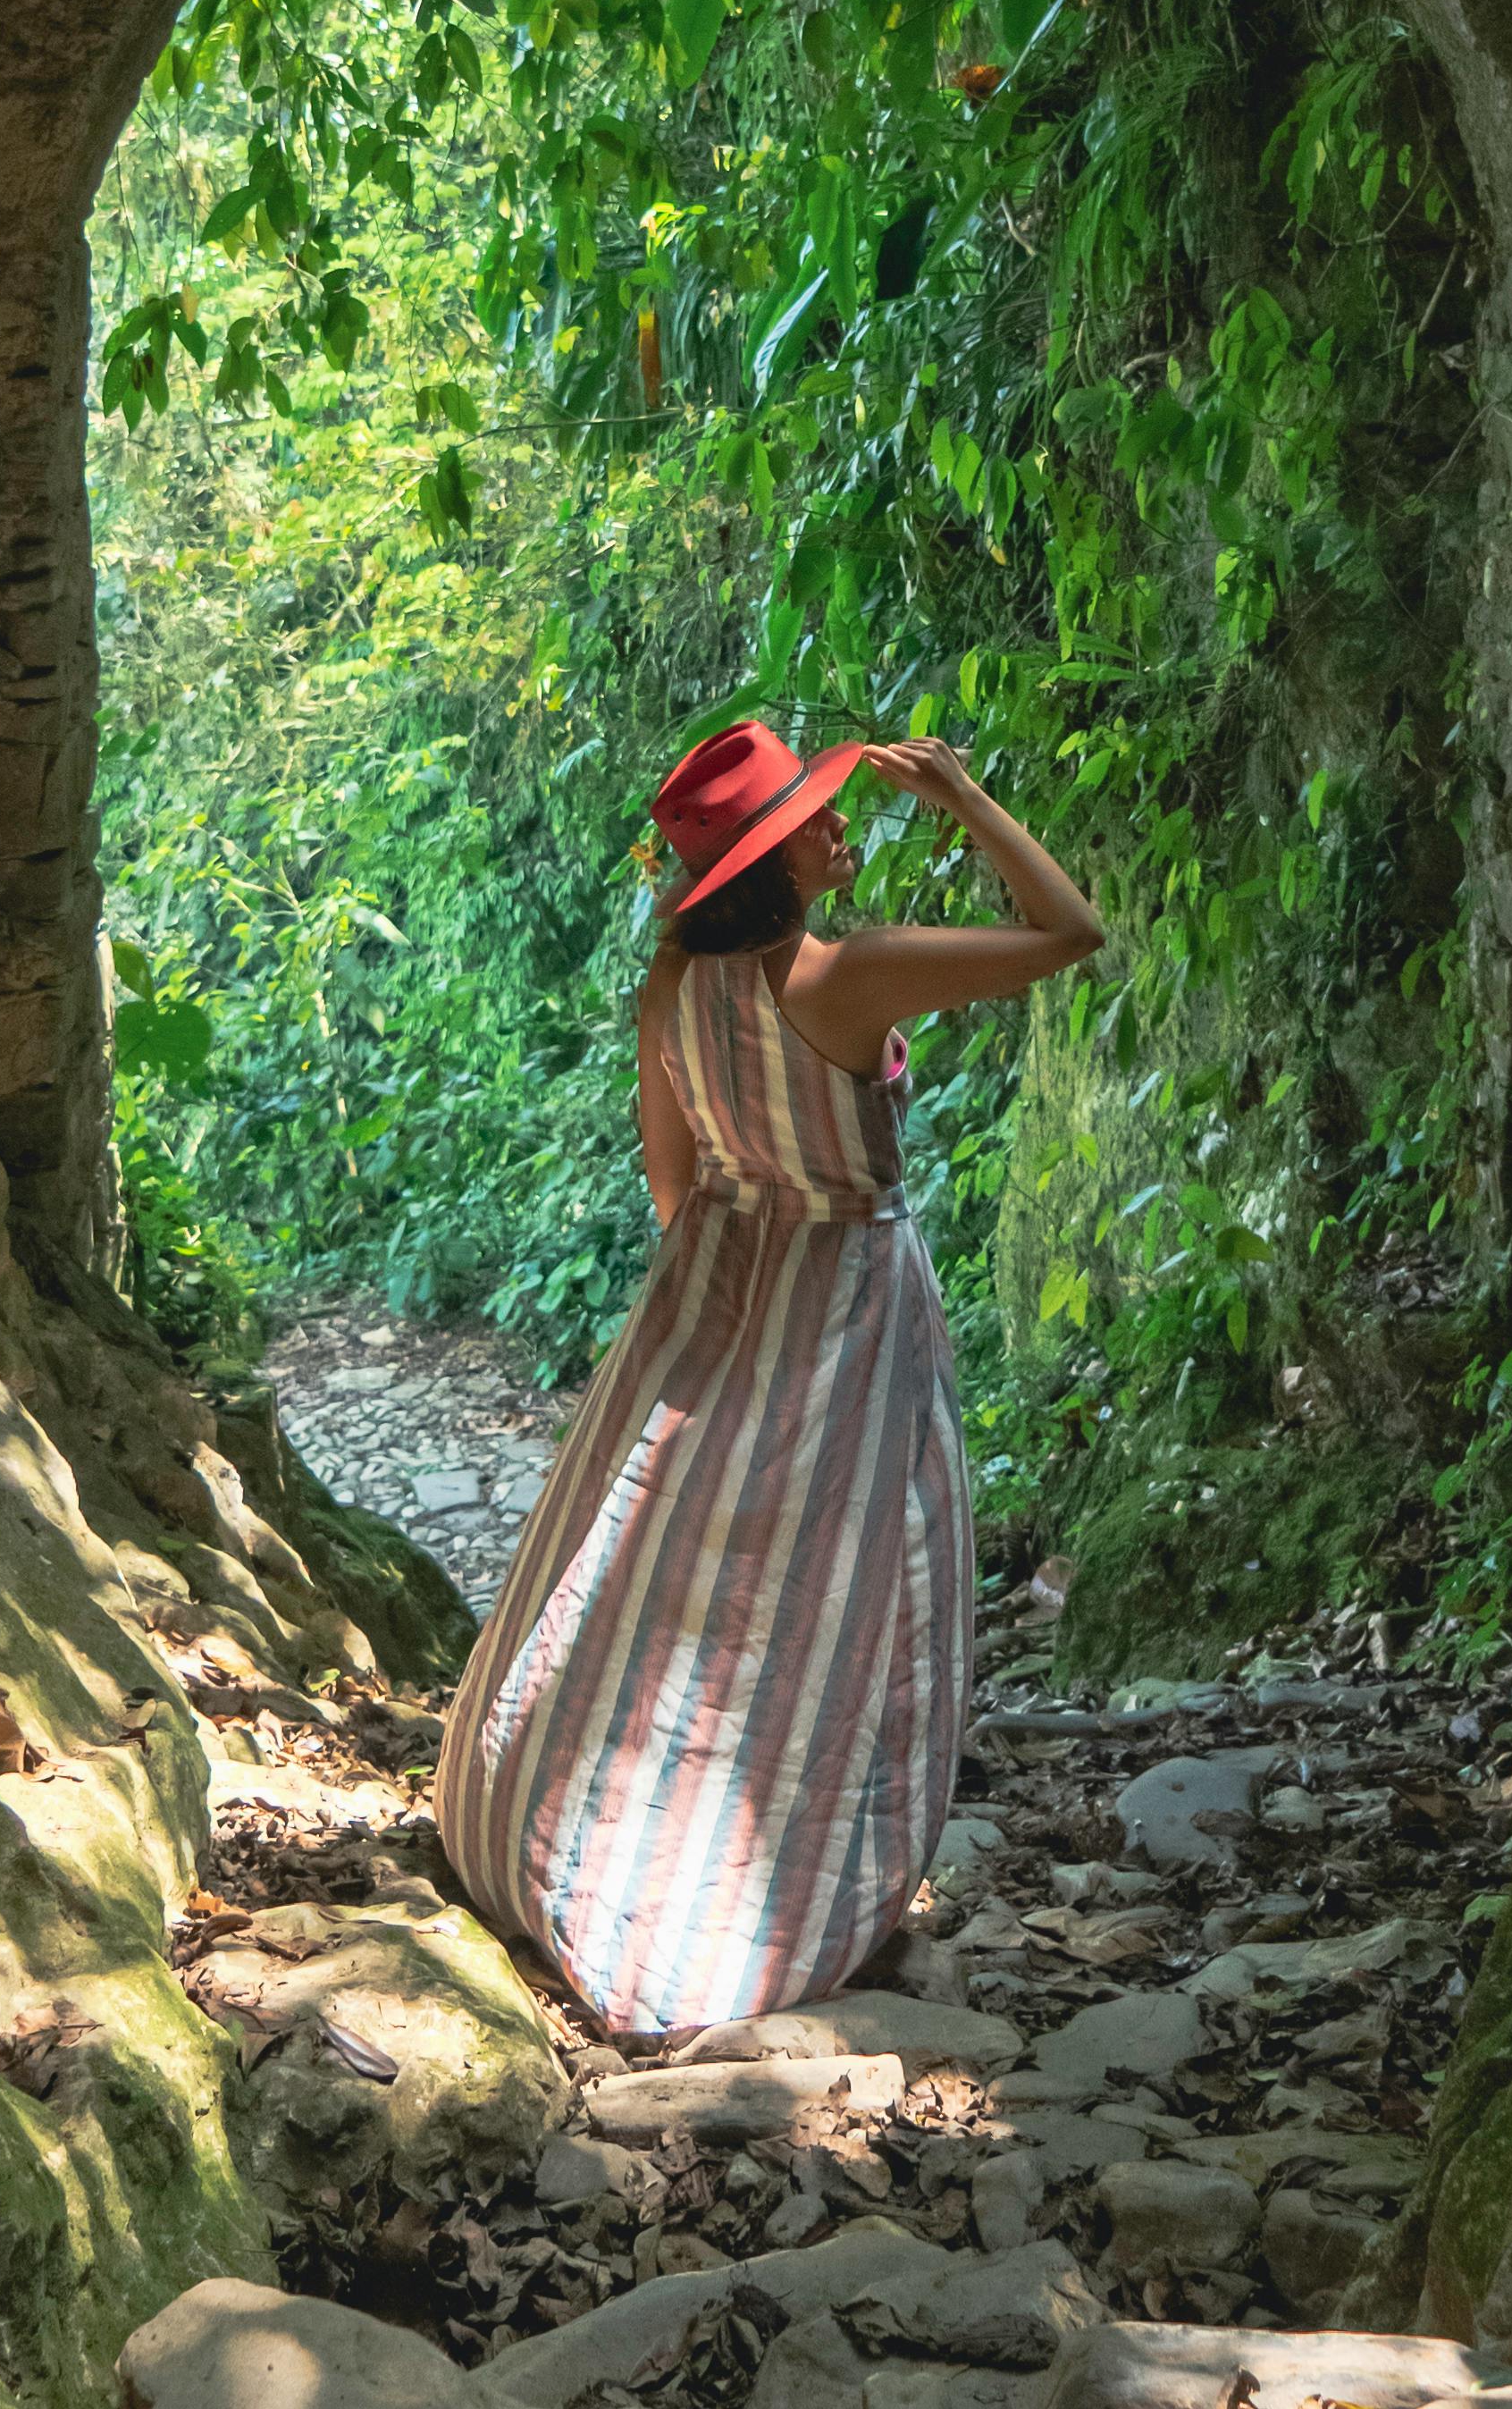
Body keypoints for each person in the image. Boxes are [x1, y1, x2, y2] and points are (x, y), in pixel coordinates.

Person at [435, 716, 1104, 2041]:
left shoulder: (675, 984)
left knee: (660, 1572)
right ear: (780, 859)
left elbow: (674, 1184)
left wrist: (735, 1246)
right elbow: (1069, 932)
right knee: (845, 1588)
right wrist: (966, 796)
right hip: (847, 1301)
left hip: (715, 1290)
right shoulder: (850, 978)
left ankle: (558, 1826)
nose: (841, 823)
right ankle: (769, 1877)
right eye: (817, 815)